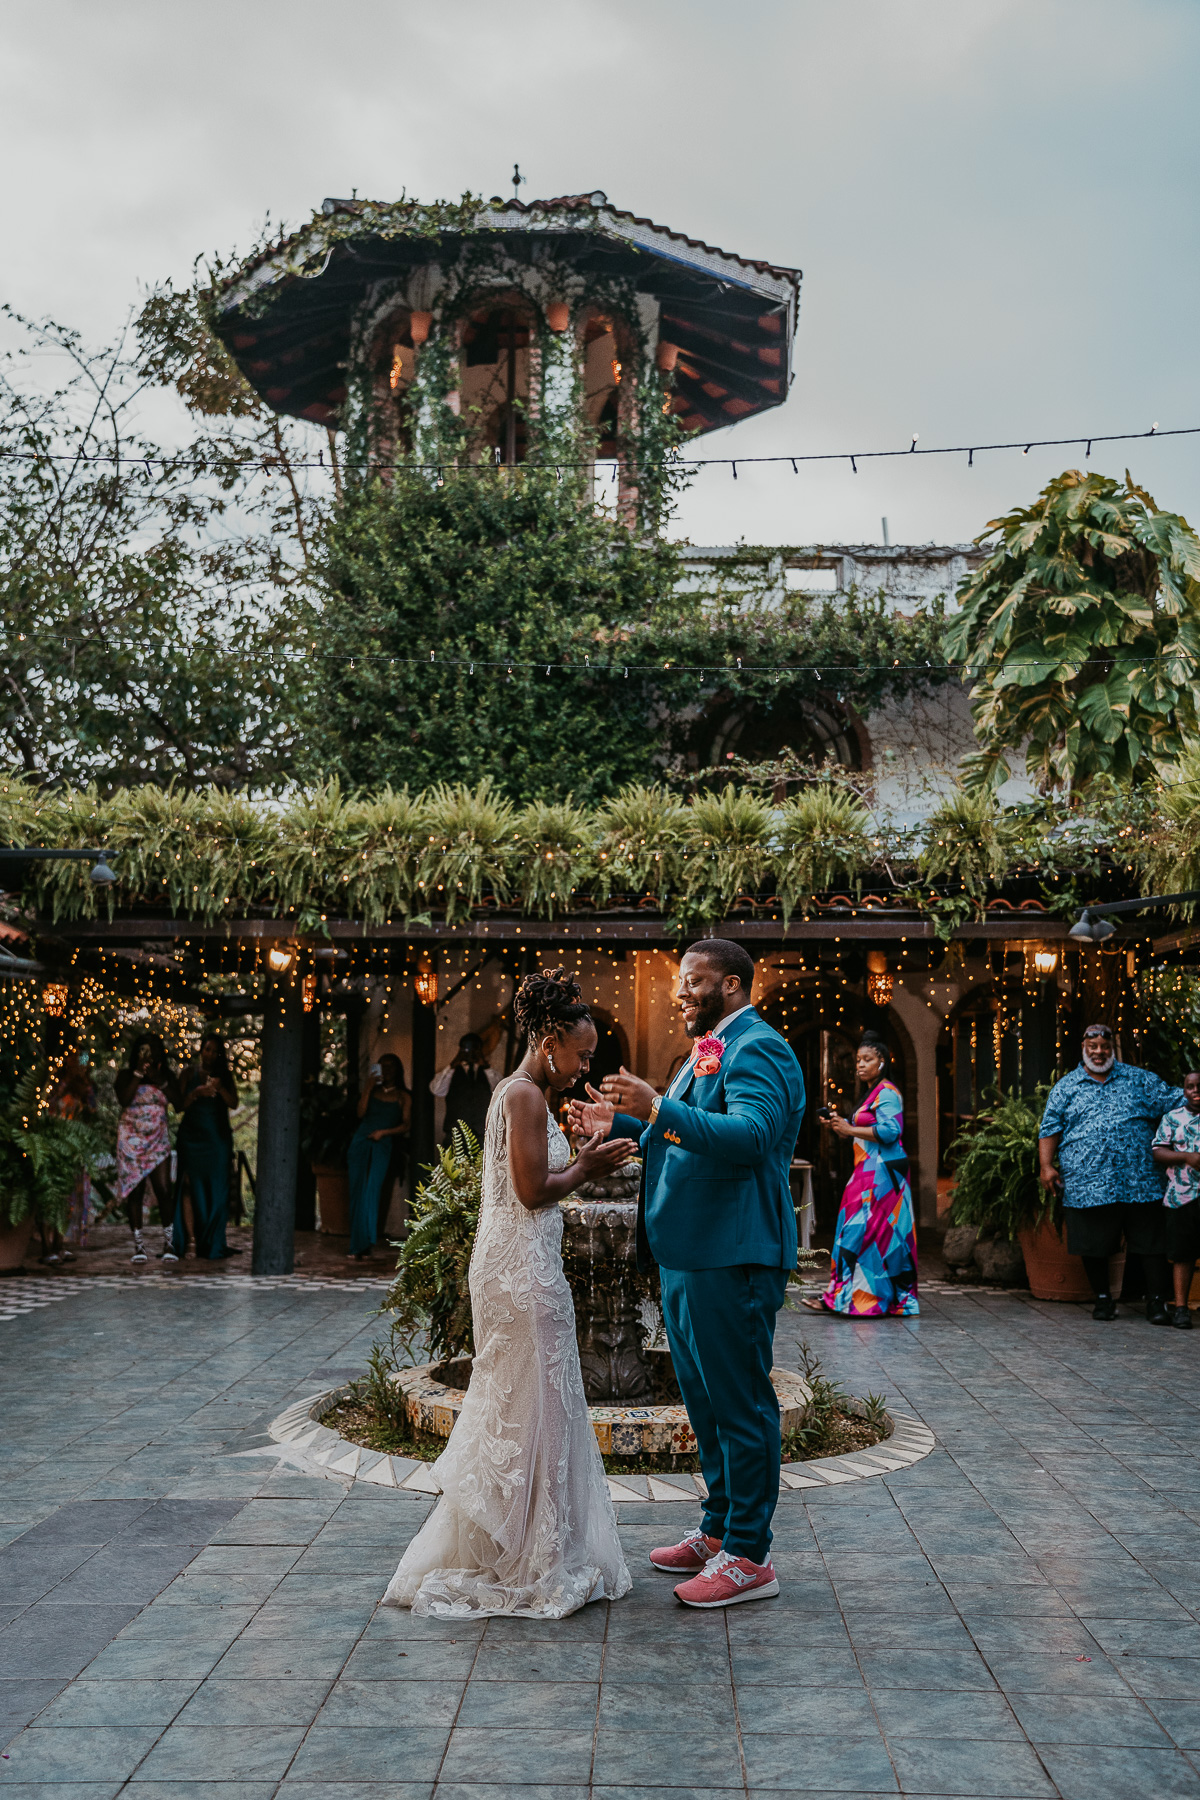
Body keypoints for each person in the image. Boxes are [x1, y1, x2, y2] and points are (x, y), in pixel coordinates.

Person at [383, 968, 635, 1618]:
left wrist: (576, 1150)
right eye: (581, 1054)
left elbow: (531, 1176)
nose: (585, 1067)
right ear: (549, 1039)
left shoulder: (522, 1094)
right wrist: (589, 1165)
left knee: (532, 1403)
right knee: (535, 1406)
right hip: (522, 1273)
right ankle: (531, 1559)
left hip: (516, 1262)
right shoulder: (522, 1095)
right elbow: (531, 1191)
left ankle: (528, 1542)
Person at [575, 938, 805, 1611]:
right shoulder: (706, 1051)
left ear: (732, 985)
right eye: (681, 981)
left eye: (694, 981)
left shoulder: (757, 1046)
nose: (681, 992)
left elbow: (752, 1135)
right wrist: (615, 1119)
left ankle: (750, 1557)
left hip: (732, 1252)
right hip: (689, 1251)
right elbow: (672, 1133)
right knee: (705, 1404)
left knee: (740, 1404)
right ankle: (717, 1529)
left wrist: (656, 1107)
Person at [1039, 1023, 1185, 1323]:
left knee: (1151, 1244)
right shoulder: (1066, 1087)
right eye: (1092, 1047)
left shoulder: (1139, 1079)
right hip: (1088, 1184)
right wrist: (1046, 1166)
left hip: (1141, 1181)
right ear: (1083, 1048)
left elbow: (1178, 1100)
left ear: (1112, 1049)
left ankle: (1157, 1303)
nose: (1099, 1052)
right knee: (1093, 1243)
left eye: (1104, 1047)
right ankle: (1103, 1299)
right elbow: (1050, 1127)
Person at [813, 1031, 918, 1318]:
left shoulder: (888, 1092)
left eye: (867, 1059)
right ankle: (844, 1296)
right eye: (858, 1059)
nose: (860, 1064)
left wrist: (849, 1130)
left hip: (883, 1174)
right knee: (859, 1230)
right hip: (870, 1170)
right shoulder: (873, 1092)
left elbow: (890, 1131)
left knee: (871, 1233)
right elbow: (870, 1128)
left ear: (882, 1062)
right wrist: (842, 1124)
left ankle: (865, 1299)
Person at [171, 1034, 238, 1263]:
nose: (210, 1054)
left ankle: (213, 1241)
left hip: (217, 1139)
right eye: (207, 1049)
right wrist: (196, 1093)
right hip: (191, 1137)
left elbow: (234, 1103)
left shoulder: (224, 1076)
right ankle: (190, 1239)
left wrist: (218, 1088)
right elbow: (179, 1106)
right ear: (201, 1050)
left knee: (217, 1189)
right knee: (188, 1185)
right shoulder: (188, 1073)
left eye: (215, 1051)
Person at [115, 1034, 179, 1264]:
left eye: (152, 1050)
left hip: (157, 1139)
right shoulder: (125, 1075)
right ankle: (139, 1245)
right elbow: (124, 1099)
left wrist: (159, 1079)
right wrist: (139, 1074)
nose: (148, 1055)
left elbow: (178, 1103)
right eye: (144, 1050)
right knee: (136, 1190)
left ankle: (169, 1242)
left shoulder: (167, 1076)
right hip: (131, 1140)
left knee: (163, 1189)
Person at [347, 1054, 411, 1260]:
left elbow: (406, 1125)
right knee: (357, 1191)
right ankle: (356, 1244)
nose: (386, 1070)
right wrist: (367, 1087)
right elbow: (359, 1113)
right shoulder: (372, 1090)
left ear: (397, 1070)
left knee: (372, 1190)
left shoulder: (403, 1096)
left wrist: (383, 1132)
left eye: (391, 1066)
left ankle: (366, 1242)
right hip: (361, 1142)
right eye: (382, 1066)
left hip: (382, 1144)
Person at [1152, 1070, 1200, 1330]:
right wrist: (1186, 1157)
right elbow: (1158, 1151)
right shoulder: (1172, 1118)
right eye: (1190, 1086)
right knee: (1182, 1254)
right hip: (1181, 1196)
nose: (1195, 1091)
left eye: (1199, 1086)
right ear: (1183, 1090)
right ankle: (1181, 1308)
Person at [41, 1050, 98, 1264]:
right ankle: (47, 1246)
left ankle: (59, 1243)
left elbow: (93, 1110)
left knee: (69, 1198)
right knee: (52, 1195)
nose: (80, 1066)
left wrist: (86, 1086)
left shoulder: (83, 1088)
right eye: (76, 1062)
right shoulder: (57, 1085)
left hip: (74, 1147)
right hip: (53, 1144)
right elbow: (48, 1105)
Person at [430, 1034, 499, 1149]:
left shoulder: (488, 1071)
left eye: (475, 1048)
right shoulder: (452, 1071)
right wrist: (453, 1064)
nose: (470, 1051)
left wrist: (484, 1065)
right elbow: (436, 1090)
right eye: (466, 1047)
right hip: (455, 1135)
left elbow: (499, 1089)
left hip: (483, 1134)